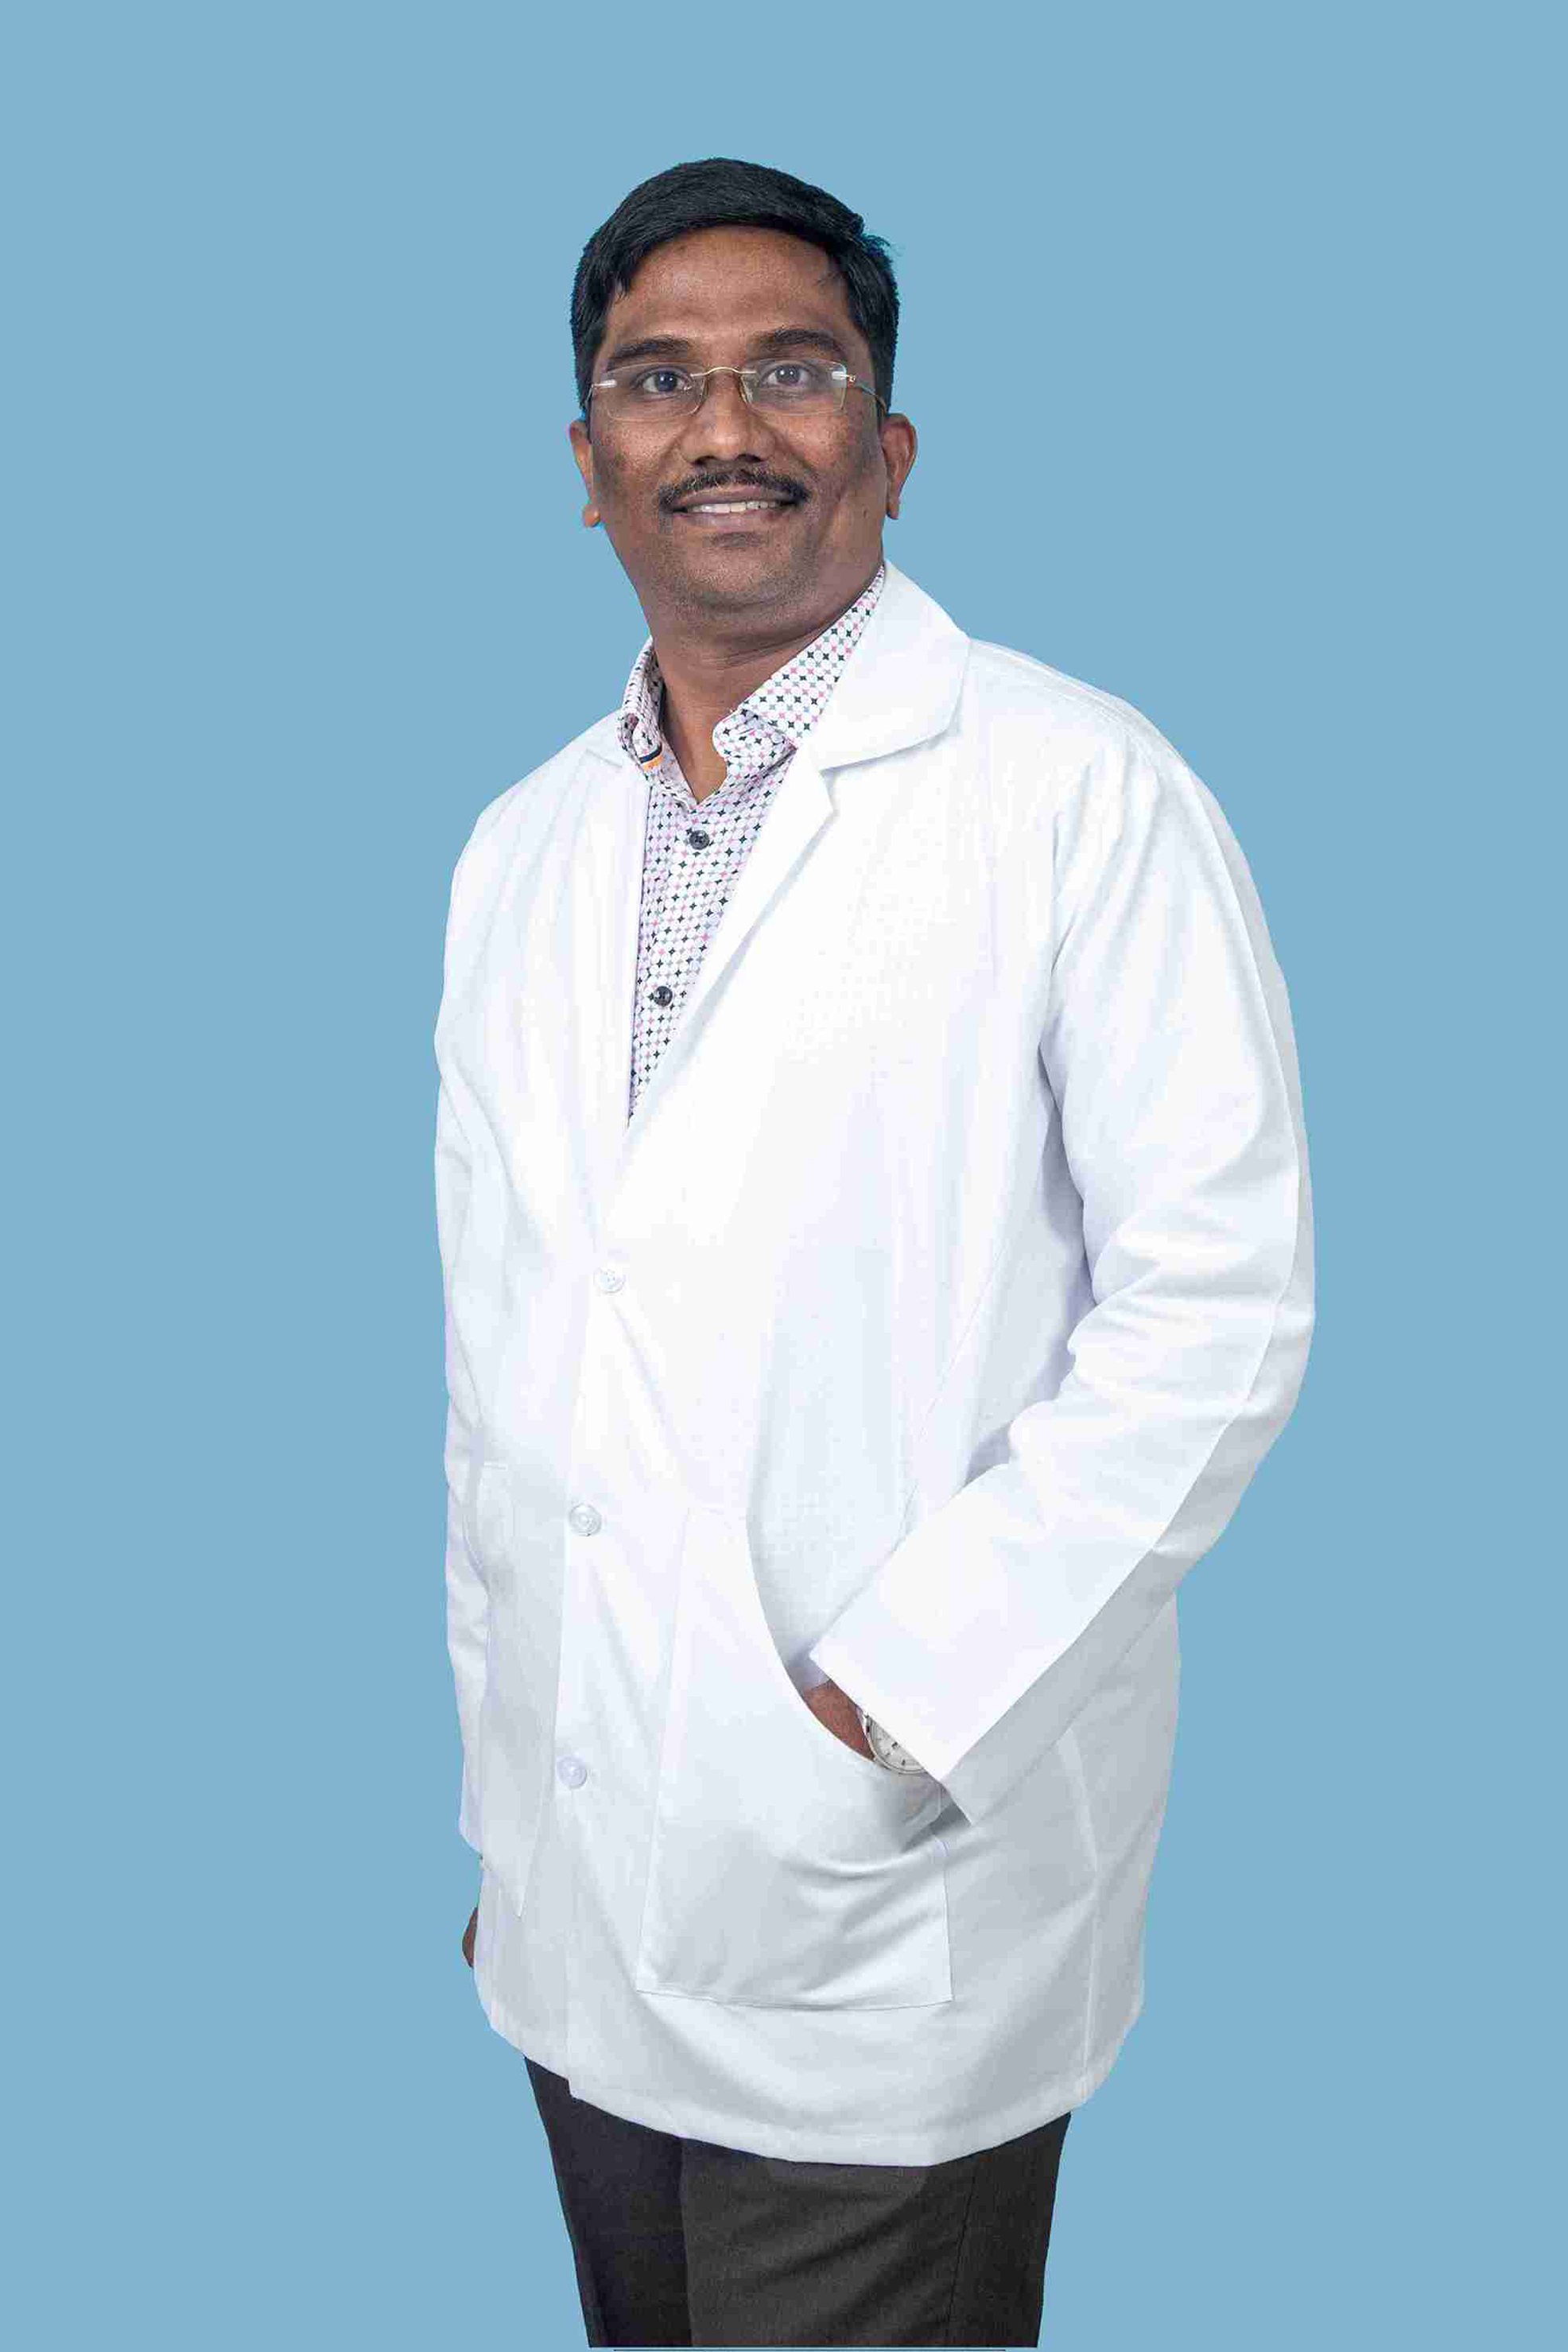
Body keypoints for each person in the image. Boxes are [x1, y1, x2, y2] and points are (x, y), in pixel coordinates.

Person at [434, 156, 1315, 2349]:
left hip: (886, 1874)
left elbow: (1216, 1311)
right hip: (578, 1900)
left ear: (890, 446)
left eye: (794, 372)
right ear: (587, 463)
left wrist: (901, 1697)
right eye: (659, 380)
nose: (723, 427)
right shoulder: (522, 849)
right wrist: (515, 1829)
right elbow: (508, 1368)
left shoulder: (1076, 792)